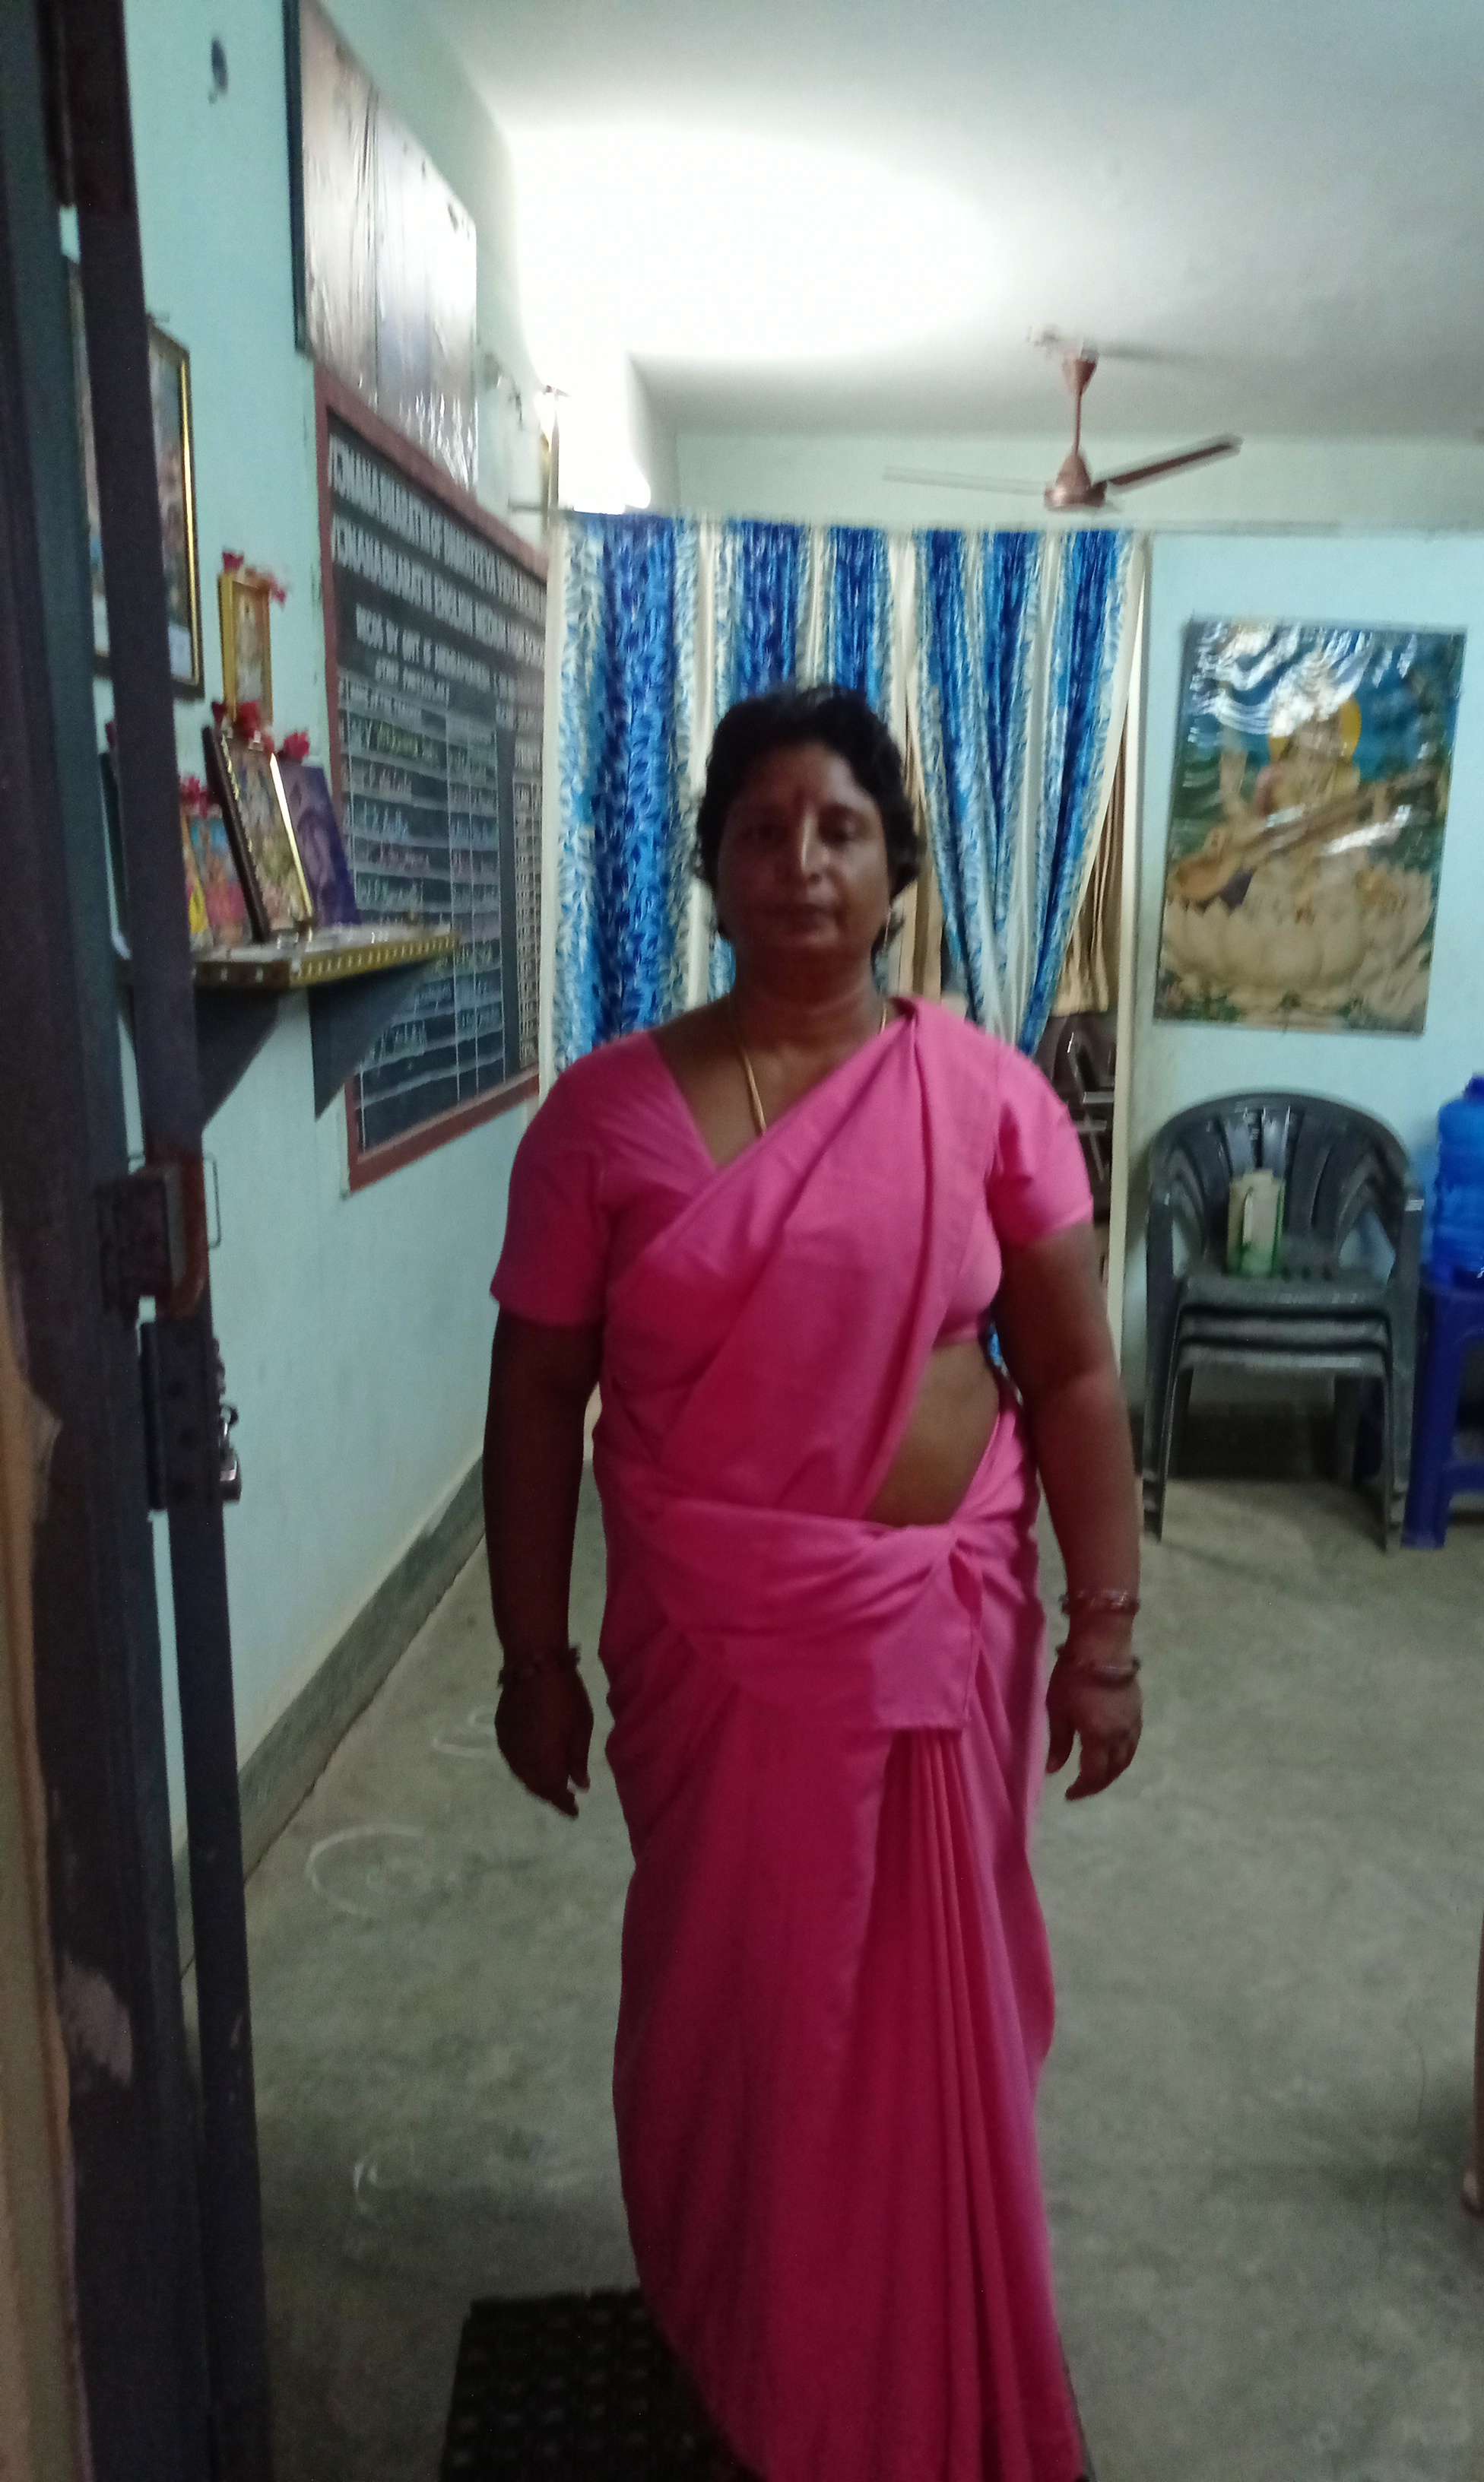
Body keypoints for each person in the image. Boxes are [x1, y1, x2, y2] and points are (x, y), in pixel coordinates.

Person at [482, 684, 1143, 2482]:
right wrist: (531, 1655)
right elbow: (535, 1397)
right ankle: (752, 2333)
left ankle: (924, 2354)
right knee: (748, 2009)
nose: (802, 863)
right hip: (716, 1649)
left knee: (922, 2023)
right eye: (763, 830)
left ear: (898, 866)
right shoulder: (603, 1121)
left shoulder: (987, 1098)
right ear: (709, 866)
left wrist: (1106, 1632)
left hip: (937, 1638)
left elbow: (1076, 1375)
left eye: (840, 828)